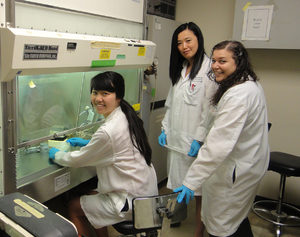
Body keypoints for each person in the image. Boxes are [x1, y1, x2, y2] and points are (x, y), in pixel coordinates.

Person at [174, 40, 270, 237]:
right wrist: (199, 138)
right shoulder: (242, 82)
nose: (216, 65)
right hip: (247, 162)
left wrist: (191, 181)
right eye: (214, 60)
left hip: (236, 169)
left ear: (238, 62)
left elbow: (218, 146)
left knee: (222, 224)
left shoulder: (239, 95)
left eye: (223, 61)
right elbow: (211, 114)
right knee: (236, 217)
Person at [49, 71, 158, 237]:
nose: (98, 98)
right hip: (142, 194)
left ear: (118, 96)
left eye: (105, 94)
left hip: (130, 200)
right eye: (95, 92)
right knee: (89, 195)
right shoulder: (125, 115)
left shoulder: (109, 130)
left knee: (73, 206)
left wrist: (56, 154)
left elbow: (78, 159)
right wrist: (89, 143)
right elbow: (119, 146)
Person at [158, 22, 217, 237]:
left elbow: (210, 111)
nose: (184, 46)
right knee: (176, 183)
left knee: (199, 189)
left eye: (188, 40)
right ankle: (177, 217)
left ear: (198, 40)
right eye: (179, 43)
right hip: (176, 139)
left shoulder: (209, 69)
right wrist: (165, 128)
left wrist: (199, 139)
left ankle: (199, 231)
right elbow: (171, 104)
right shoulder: (182, 68)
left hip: (195, 142)